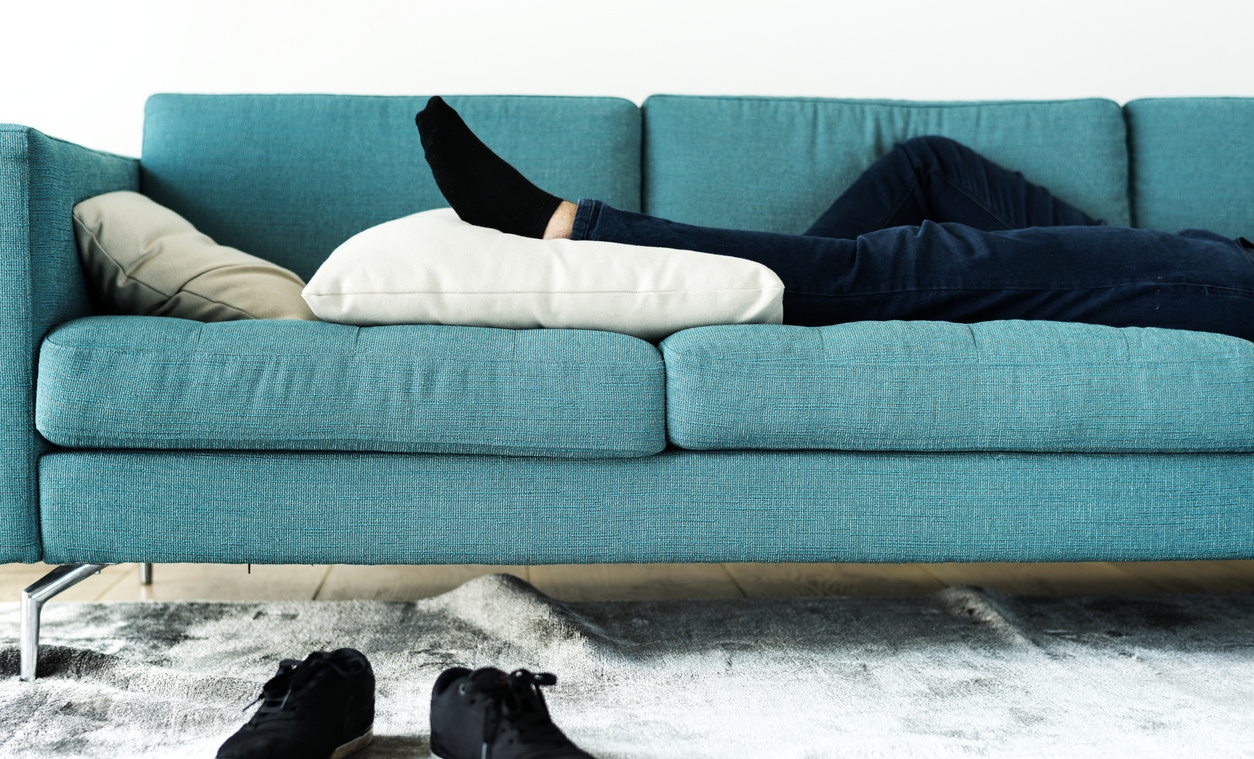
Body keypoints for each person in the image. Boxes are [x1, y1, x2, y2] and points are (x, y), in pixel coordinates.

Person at [415, 96, 1254, 344]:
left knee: (913, 261)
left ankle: (566, 225)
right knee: (929, 164)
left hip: (1232, 287)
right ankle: (786, 299)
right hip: (1216, 254)